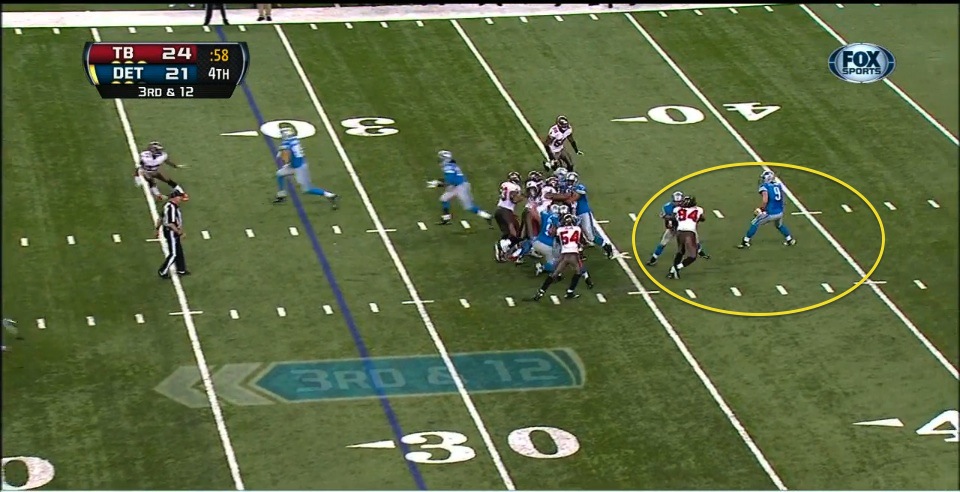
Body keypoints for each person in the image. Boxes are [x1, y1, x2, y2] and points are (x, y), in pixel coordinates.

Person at [157, 190, 191, 278]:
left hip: (171, 231)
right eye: (179, 197)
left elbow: (160, 218)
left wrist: (157, 229)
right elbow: (171, 224)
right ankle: (162, 271)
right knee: (174, 254)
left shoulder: (169, 206)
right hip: (171, 232)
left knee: (179, 251)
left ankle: (181, 269)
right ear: (175, 197)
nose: (180, 199)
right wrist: (179, 233)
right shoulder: (171, 208)